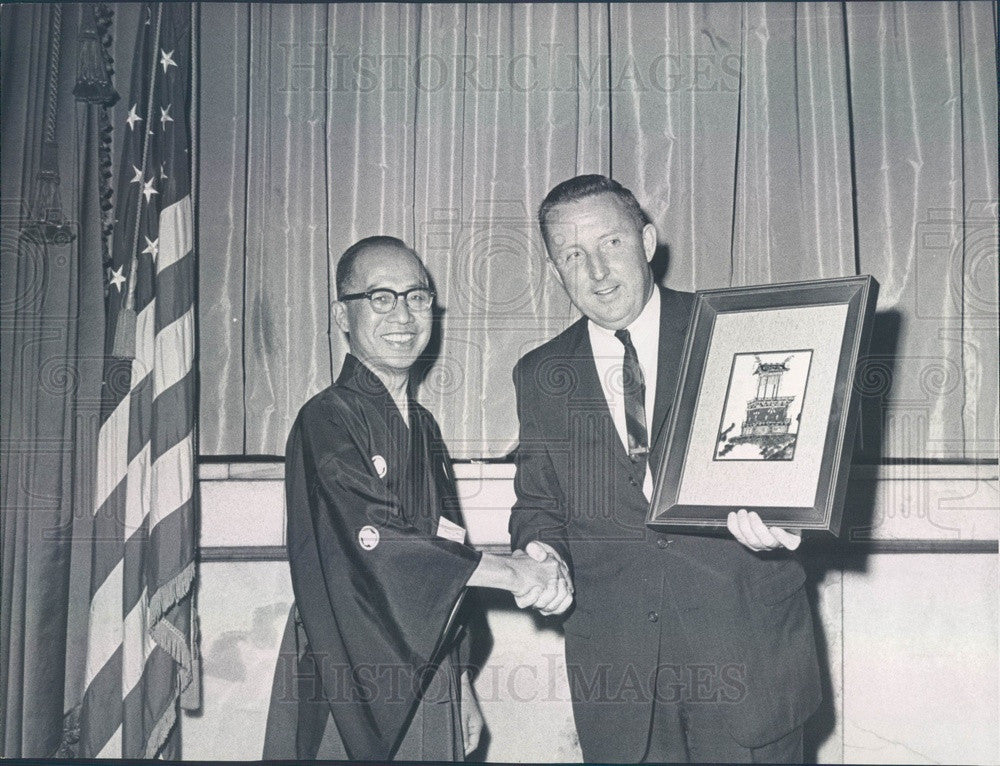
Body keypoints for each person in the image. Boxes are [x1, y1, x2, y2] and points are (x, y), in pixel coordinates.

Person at [508, 176, 821, 763]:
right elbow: (537, 504)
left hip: (744, 656)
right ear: (555, 271)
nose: (598, 272)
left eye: (612, 244)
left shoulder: (737, 333)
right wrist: (540, 550)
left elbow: (787, 461)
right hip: (621, 677)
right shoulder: (539, 374)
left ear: (648, 241)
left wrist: (786, 522)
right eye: (574, 255)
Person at [264, 236, 570, 761]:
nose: (403, 315)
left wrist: (461, 680)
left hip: (430, 665)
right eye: (381, 298)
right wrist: (519, 573)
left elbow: (445, 541)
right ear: (343, 315)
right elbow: (382, 546)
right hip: (353, 666)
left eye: (417, 297)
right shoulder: (326, 418)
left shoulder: (423, 427)